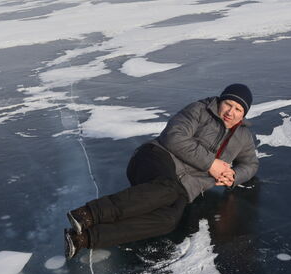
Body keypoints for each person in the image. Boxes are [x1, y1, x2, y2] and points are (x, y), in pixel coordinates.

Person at [64, 83, 259, 259]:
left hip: (186, 185)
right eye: (228, 104)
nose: (230, 112)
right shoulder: (200, 110)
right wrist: (211, 164)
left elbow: (251, 164)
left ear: (243, 115)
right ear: (220, 101)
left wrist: (235, 176)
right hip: (156, 158)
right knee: (168, 189)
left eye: (238, 109)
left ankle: (83, 238)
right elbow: (174, 137)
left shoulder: (243, 137)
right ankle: (87, 214)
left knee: (168, 220)